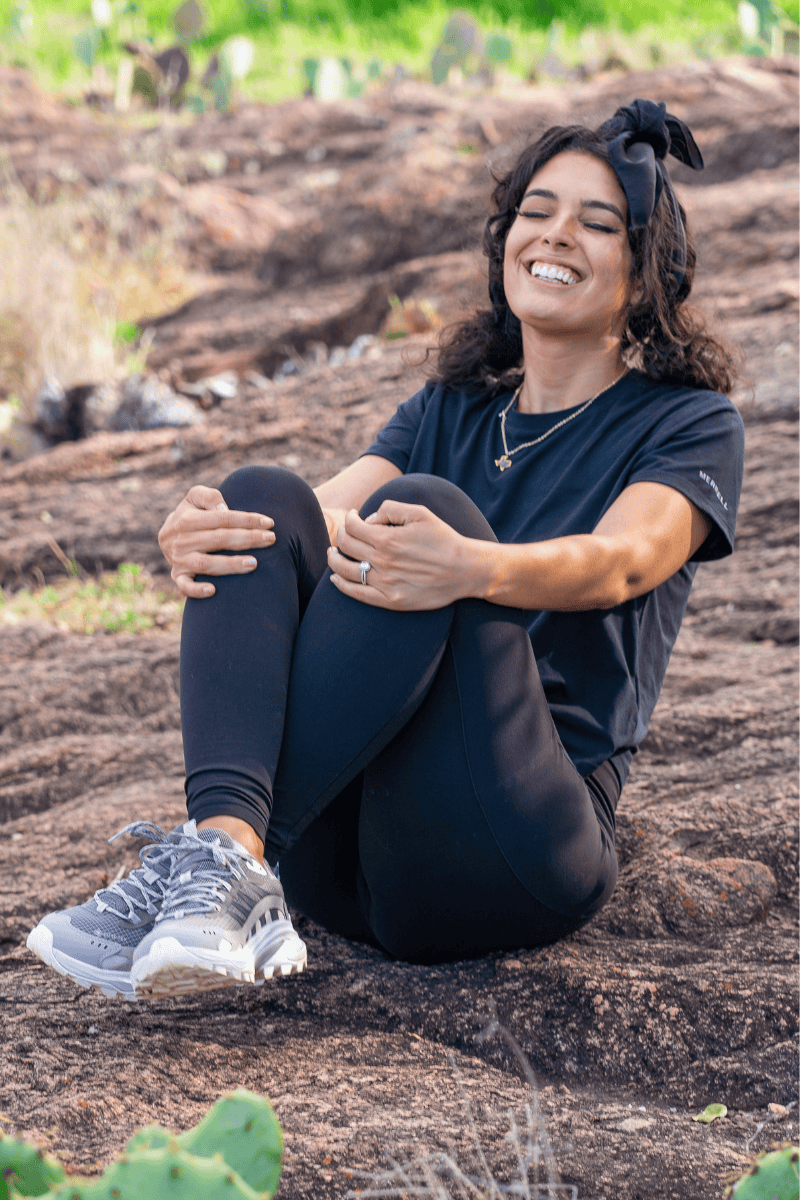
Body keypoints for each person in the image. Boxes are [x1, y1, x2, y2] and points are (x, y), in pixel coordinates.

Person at [27, 99, 744, 1001]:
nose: (557, 237)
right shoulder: (452, 406)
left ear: (642, 276)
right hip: (348, 865)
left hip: (513, 845)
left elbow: (625, 560)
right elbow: (313, 522)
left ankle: (221, 863)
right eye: (538, 212)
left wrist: (472, 567)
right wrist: (209, 532)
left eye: (598, 224)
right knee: (259, 498)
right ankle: (225, 861)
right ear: (505, 241)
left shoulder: (687, 423)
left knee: (418, 513)